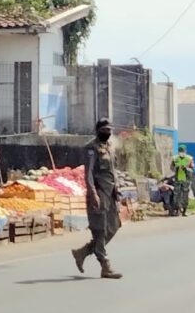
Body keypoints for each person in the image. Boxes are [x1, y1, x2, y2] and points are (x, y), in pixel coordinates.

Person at [71, 118, 123, 279]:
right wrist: (93, 193)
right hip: (99, 193)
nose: (107, 133)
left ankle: (83, 252)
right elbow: (88, 174)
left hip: (111, 193)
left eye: (109, 130)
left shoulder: (110, 147)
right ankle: (105, 265)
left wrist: (117, 189)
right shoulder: (91, 148)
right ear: (98, 130)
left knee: (114, 226)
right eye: (104, 130)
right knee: (100, 230)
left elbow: (113, 171)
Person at [170, 145, 195, 217]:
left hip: (186, 180)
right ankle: (177, 210)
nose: (181, 153)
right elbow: (171, 168)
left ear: (185, 151)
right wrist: (176, 168)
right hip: (177, 179)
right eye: (180, 151)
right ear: (178, 152)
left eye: (183, 151)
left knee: (185, 195)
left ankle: (184, 211)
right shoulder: (175, 159)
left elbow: (193, 169)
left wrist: (186, 169)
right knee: (176, 195)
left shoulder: (189, 159)